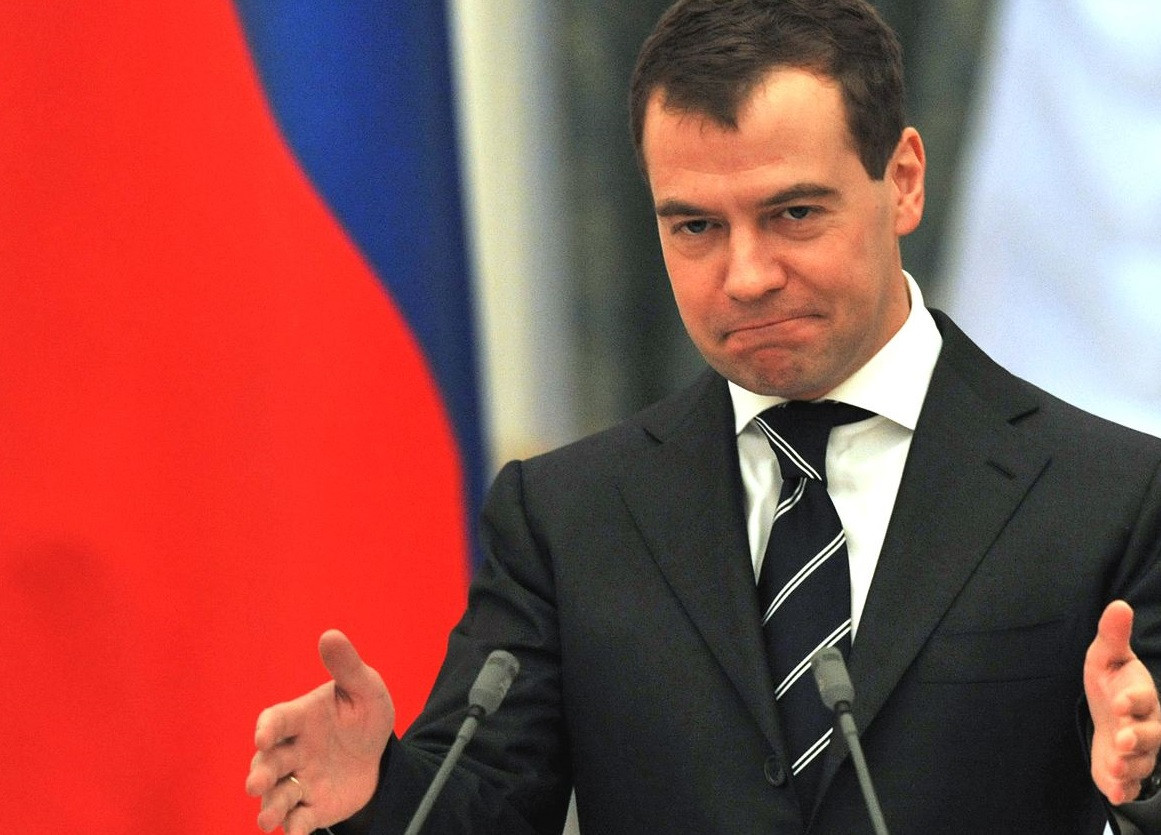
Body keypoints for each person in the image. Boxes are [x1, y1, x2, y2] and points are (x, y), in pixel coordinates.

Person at [246, 0, 1161, 832]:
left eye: (792, 213)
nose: (746, 276)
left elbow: (1145, 766)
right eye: (695, 227)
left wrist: (1146, 784)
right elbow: (482, 803)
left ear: (904, 181)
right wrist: (376, 789)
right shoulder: (568, 516)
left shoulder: (1110, 498)